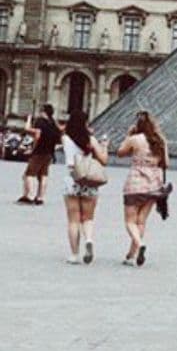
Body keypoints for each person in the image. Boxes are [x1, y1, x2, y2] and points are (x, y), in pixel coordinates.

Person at [117, 111, 169, 267]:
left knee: (130, 221)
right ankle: (131, 256)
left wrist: (128, 135)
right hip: (154, 183)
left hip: (136, 183)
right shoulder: (161, 141)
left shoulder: (134, 139)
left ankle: (139, 245)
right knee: (141, 222)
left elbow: (120, 153)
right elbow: (166, 163)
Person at [61, 109, 109, 265]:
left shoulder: (65, 138)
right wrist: (104, 146)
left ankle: (74, 255)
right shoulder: (90, 139)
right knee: (88, 218)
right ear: (85, 122)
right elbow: (103, 160)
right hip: (88, 178)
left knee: (73, 220)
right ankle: (88, 239)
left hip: (72, 177)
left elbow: (67, 133)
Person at [18, 104, 62, 205]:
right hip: (49, 153)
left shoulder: (40, 121)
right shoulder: (53, 124)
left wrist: (28, 119)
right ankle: (40, 197)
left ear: (43, 111)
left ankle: (29, 196)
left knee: (29, 174)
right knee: (43, 175)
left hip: (39, 151)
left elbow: (32, 131)